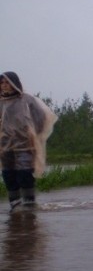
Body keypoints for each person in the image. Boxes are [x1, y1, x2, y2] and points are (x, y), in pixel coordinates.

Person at [0, 71, 57, 210]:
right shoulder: (1, 102)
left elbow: (41, 117)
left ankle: (29, 203)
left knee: (24, 173)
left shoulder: (26, 99)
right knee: (8, 174)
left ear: (14, 83)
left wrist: (32, 133)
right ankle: (15, 204)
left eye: (7, 82)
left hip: (25, 144)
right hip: (4, 146)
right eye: (2, 83)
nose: (4, 85)